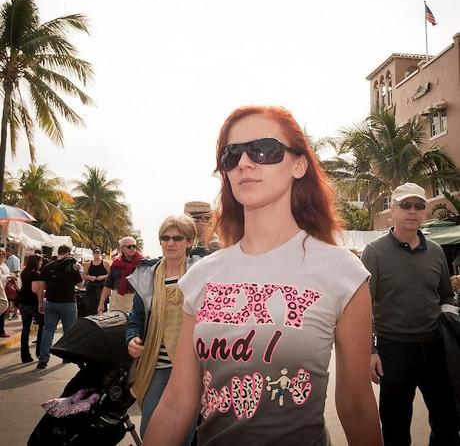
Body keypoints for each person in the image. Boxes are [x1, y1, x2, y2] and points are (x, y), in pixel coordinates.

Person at [144, 105, 383, 446]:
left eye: (264, 150)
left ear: (298, 165)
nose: (244, 162)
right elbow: (177, 402)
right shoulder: (202, 277)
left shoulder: (342, 272)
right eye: (231, 154)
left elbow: (356, 405)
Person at [361, 182, 459, 446]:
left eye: (418, 206)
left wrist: (450, 327)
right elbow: (363, 306)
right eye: (405, 205)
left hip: (435, 347)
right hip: (394, 351)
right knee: (395, 424)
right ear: (393, 210)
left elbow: (446, 296)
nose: (412, 211)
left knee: (447, 420)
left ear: (425, 212)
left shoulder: (437, 252)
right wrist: (370, 350)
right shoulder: (374, 253)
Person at [126, 214, 198, 440]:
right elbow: (135, 319)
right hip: (155, 365)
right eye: (165, 237)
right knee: (151, 429)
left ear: (189, 242)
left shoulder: (201, 273)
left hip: (191, 367)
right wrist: (132, 339)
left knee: (184, 432)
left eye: (177, 238)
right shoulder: (148, 276)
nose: (170, 243)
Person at [35, 245, 84, 369]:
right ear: (68, 253)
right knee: (68, 331)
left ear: (58, 252)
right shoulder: (73, 266)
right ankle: (66, 356)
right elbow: (81, 284)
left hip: (51, 302)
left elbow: (40, 287)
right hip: (68, 303)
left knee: (48, 330)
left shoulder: (48, 266)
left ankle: (43, 359)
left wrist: (40, 303)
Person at [97, 237, 143, 314]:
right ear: (122, 249)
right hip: (116, 299)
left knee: (132, 325)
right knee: (114, 324)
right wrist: (101, 303)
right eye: (129, 247)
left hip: (134, 299)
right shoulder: (116, 264)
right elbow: (108, 285)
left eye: (134, 246)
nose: (132, 248)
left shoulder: (142, 264)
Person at [18, 254, 44, 363]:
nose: (41, 263)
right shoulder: (36, 274)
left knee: (25, 328)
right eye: (40, 261)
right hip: (32, 303)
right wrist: (40, 304)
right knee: (43, 325)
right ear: (36, 262)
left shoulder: (24, 272)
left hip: (22, 302)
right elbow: (37, 291)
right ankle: (39, 351)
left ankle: (25, 355)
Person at [83, 248, 110, 315]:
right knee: (91, 306)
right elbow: (84, 275)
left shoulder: (105, 263)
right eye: (95, 253)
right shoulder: (88, 264)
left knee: (103, 306)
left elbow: (110, 274)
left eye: (98, 253)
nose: (96, 254)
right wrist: (89, 277)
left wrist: (103, 277)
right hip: (91, 287)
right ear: (93, 254)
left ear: (100, 254)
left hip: (102, 287)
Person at [0, 247, 11, 338]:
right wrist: (8, 276)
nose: (2, 256)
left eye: (3, 254)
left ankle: (1, 330)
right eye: (0, 254)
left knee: (2, 313)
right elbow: (1, 278)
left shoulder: (4, 265)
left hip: (3, 291)